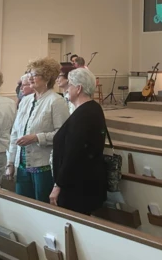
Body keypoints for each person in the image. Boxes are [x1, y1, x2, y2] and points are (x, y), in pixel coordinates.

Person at [6, 57, 69, 203]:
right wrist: (10, 162)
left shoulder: (56, 101)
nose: (30, 78)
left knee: (42, 207)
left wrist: (37, 137)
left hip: (44, 166)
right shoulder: (26, 100)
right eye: (30, 74)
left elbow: (63, 136)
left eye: (34, 75)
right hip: (22, 165)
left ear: (47, 78)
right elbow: (15, 132)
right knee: (23, 207)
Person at [49, 68, 107, 214]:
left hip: (76, 187)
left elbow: (73, 153)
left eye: (70, 85)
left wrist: (58, 185)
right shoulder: (92, 108)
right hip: (84, 182)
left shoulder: (83, 115)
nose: (67, 89)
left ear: (79, 88)